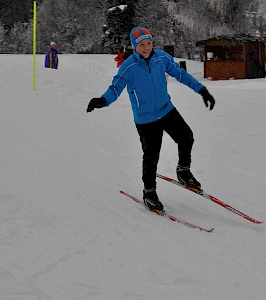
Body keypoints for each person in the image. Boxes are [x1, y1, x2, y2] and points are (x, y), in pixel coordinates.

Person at [87, 26, 215, 212]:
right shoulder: (128, 67)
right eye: (141, 45)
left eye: (149, 43)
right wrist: (102, 100)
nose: (146, 48)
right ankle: (149, 192)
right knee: (151, 156)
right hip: (146, 119)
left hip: (166, 109)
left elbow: (181, 75)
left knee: (186, 137)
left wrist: (201, 90)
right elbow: (115, 88)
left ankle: (183, 171)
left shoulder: (161, 58)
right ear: (134, 46)